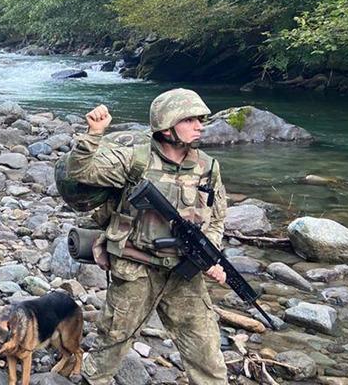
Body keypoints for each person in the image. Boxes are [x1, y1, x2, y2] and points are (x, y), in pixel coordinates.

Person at [69, 88, 229, 385]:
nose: (200, 126)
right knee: (111, 344)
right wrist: (93, 134)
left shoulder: (208, 167)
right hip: (135, 270)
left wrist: (211, 254)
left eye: (201, 119)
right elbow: (81, 171)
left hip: (184, 274)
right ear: (167, 126)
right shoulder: (135, 159)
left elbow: (217, 216)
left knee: (206, 355)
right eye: (190, 119)